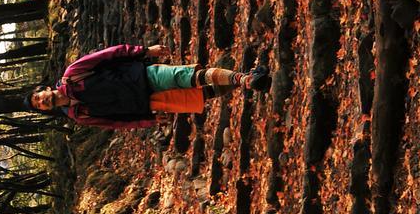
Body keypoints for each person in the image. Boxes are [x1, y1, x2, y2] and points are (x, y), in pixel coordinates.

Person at [27, 43, 268, 129]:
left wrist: (144, 51)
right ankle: (245, 79)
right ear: (46, 110)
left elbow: (108, 54)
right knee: (202, 96)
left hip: (143, 76)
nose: (42, 101)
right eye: (39, 106)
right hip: (146, 103)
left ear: (46, 88)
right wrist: (150, 121)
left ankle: (244, 80)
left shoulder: (72, 74)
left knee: (190, 77)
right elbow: (117, 123)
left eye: (39, 96)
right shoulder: (78, 115)